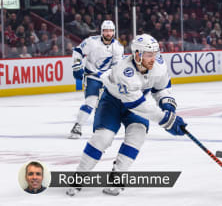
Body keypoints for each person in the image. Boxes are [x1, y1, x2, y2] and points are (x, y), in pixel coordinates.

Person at [66, 33, 187, 196]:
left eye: (155, 54)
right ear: (137, 54)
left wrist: (167, 105)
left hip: (137, 104)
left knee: (137, 134)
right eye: (149, 55)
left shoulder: (159, 65)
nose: (153, 58)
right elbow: (137, 105)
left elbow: (162, 88)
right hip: (113, 103)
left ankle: (117, 177)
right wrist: (165, 120)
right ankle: (79, 176)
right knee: (103, 138)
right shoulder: (124, 71)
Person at [69, 20, 124, 139]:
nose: (108, 33)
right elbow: (77, 51)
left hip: (107, 78)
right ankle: (77, 126)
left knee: (111, 105)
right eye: (106, 31)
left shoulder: (118, 47)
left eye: (110, 31)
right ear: (101, 31)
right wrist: (77, 66)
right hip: (92, 76)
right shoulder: (91, 42)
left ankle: (105, 127)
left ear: (114, 32)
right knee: (91, 101)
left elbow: (116, 66)